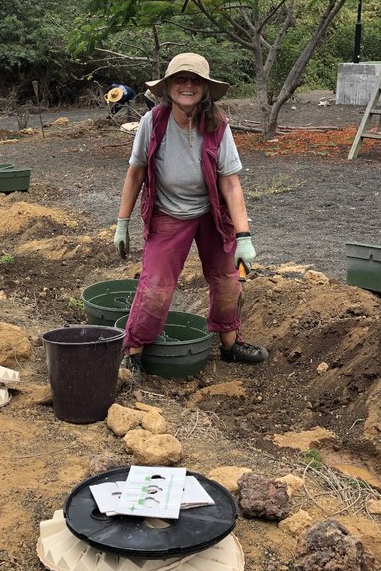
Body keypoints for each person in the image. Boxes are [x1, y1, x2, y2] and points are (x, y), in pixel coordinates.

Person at [113, 52, 268, 378]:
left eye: (195, 80)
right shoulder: (152, 123)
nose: (188, 85)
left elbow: (230, 184)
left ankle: (230, 346)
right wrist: (122, 223)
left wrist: (244, 238)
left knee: (228, 281)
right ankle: (134, 353)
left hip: (211, 213)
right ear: (168, 86)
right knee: (155, 285)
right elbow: (135, 173)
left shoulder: (218, 126)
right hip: (168, 213)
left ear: (205, 89)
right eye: (180, 79)